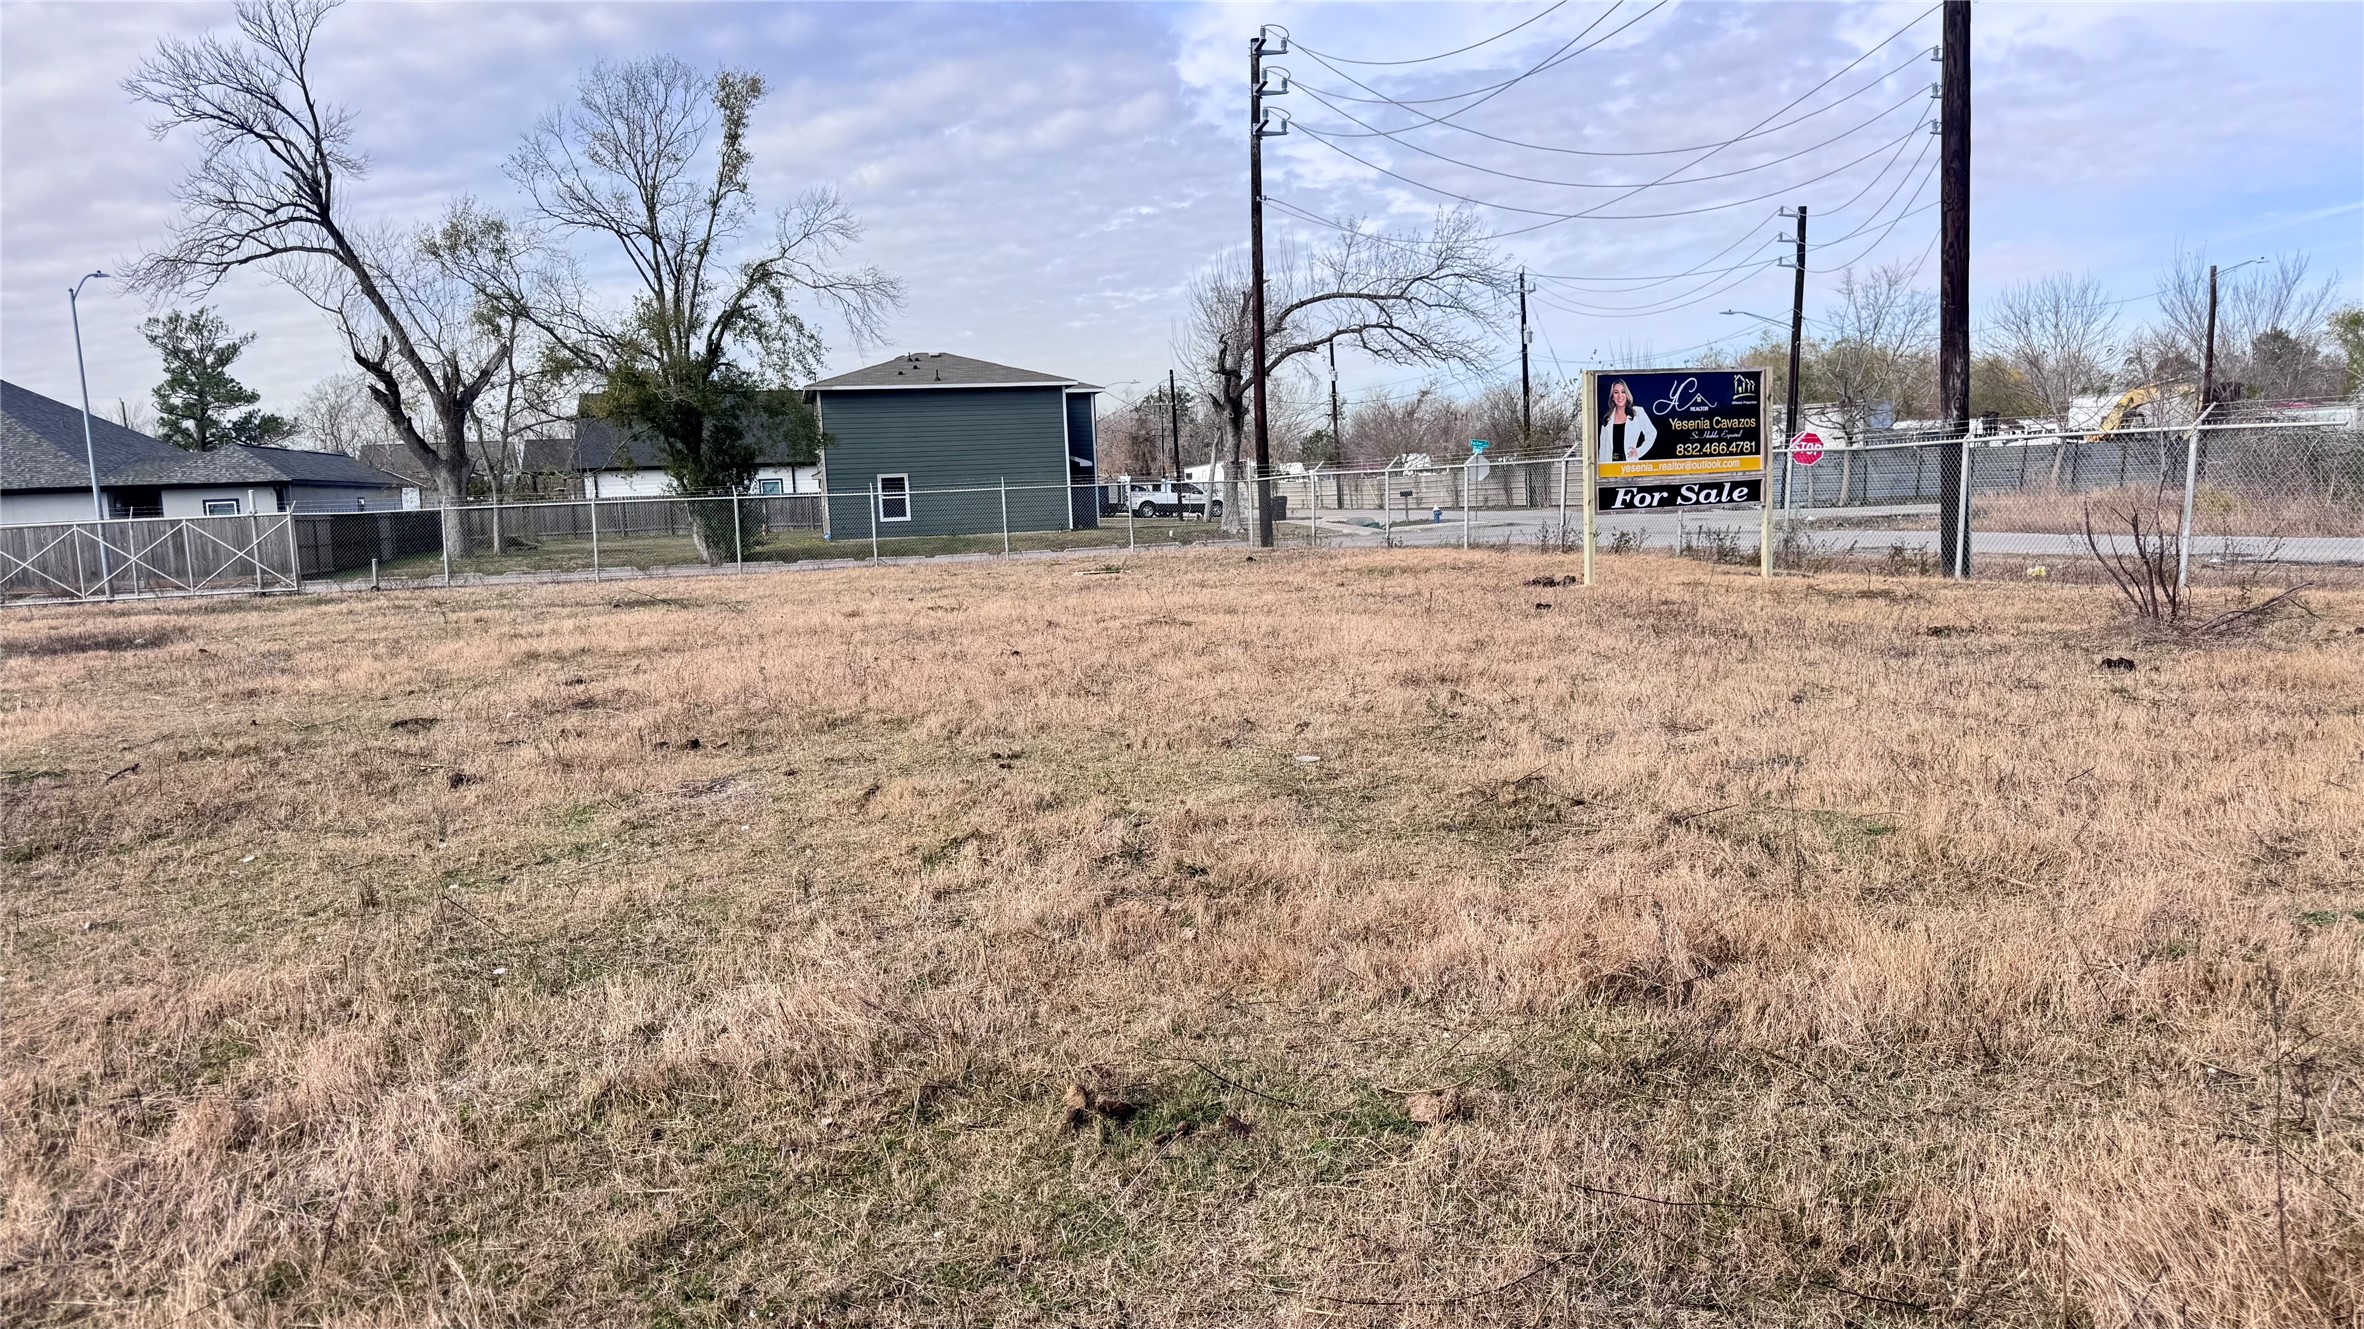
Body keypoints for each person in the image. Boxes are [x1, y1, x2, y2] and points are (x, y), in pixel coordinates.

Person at [1602, 379, 1659, 462]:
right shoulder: (1607, 418)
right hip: (1611, 467)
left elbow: (1652, 433)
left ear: (1627, 394)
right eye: (1616, 392)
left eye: (1623, 391)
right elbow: (1603, 447)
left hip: (1630, 466)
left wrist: (1639, 451)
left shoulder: (1637, 412)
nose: (1620, 396)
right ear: (1612, 397)